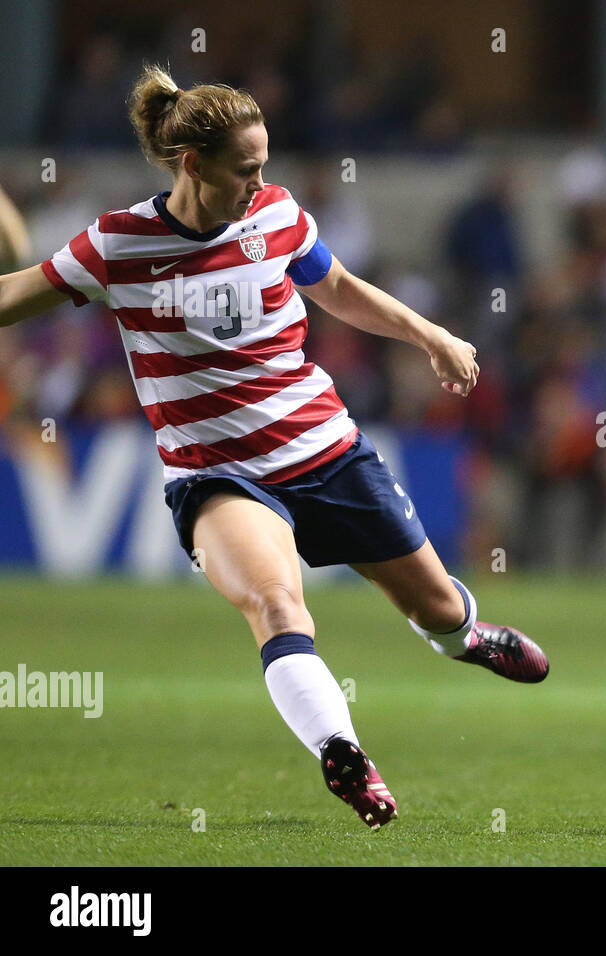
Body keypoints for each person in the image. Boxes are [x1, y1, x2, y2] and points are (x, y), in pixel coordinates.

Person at [0, 66, 549, 831]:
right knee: (275, 603)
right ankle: (344, 753)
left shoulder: (280, 218)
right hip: (217, 476)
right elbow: (11, 295)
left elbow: (343, 289)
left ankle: (467, 635)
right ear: (194, 165)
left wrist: (430, 334)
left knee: (436, 607)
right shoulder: (118, 245)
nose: (260, 183)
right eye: (246, 169)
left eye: (264, 166)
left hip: (325, 450)